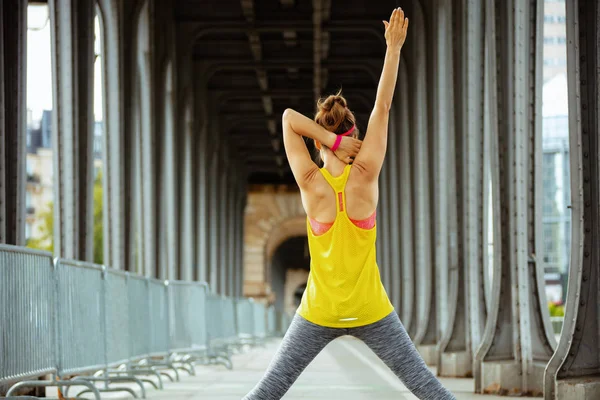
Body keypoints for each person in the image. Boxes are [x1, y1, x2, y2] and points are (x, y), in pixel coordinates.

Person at [243, 7, 455, 400]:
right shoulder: (366, 174)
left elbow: (289, 117)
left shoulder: (310, 183)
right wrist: (393, 49)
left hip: (317, 313)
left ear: (318, 142)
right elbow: (383, 107)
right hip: (372, 310)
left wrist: (329, 141)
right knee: (429, 390)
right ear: (353, 134)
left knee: (266, 392)